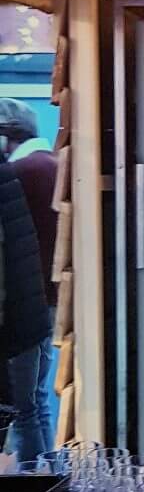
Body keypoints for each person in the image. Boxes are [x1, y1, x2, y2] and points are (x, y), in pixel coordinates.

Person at [0, 99, 58, 461]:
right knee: (37, 402)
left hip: (22, 310)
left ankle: (31, 489)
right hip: (49, 306)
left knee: (22, 408)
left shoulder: (19, 172)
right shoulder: (57, 165)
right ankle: (49, 475)